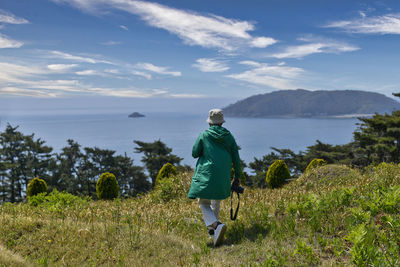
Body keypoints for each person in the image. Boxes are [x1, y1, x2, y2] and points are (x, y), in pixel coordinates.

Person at [188, 109, 242, 246]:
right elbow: (236, 158)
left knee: (203, 203)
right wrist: (237, 177)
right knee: (216, 202)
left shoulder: (204, 135)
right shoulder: (229, 137)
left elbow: (195, 153)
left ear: (210, 123)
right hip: (223, 175)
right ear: (221, 122)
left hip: (207, 174)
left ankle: (216, 225)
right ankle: (214, 233)